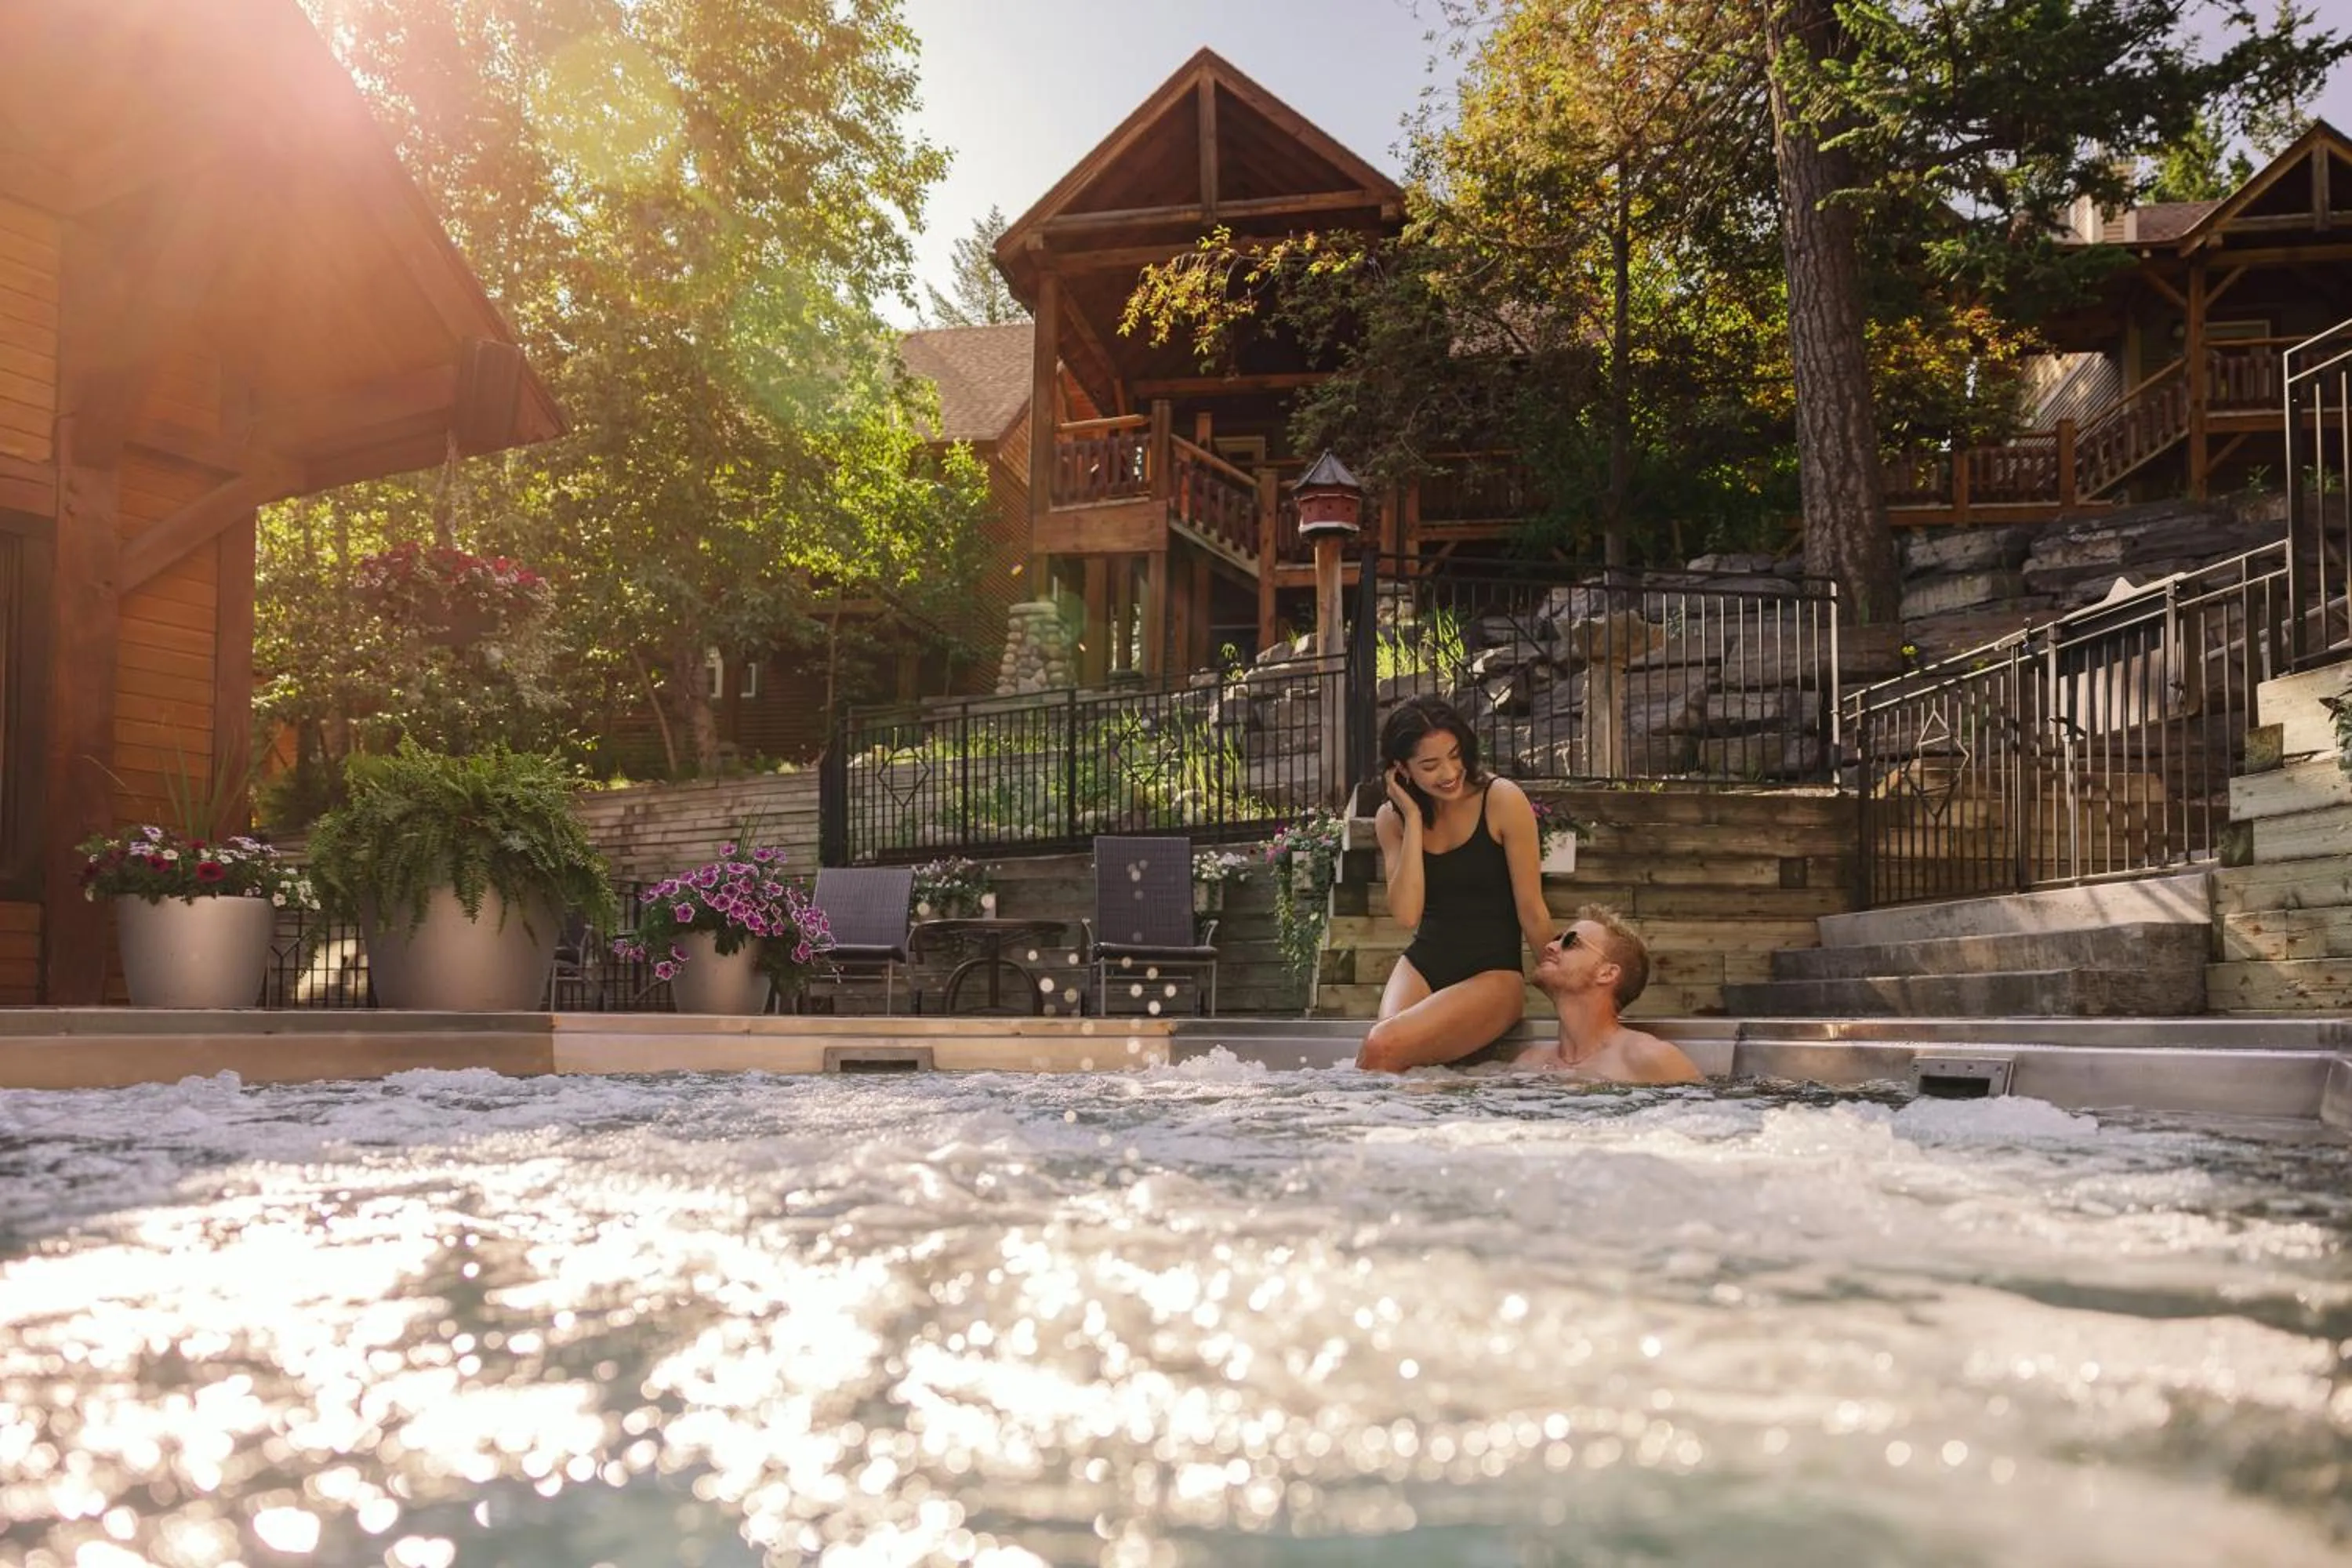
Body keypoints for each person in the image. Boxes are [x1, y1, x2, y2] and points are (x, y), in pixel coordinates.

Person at [1357, 696, 1554, 1072]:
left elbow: (1532, 910)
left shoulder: (1501, 799)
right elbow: (1406, 914)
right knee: (1384, 1058)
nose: (1449, 772)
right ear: (1402, 770)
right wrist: (1413, 818)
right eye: (1430, 765)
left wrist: (1568, 996)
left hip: (1494, 973)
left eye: (1455, 755)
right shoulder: (1392, 819)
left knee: (1383, 1046)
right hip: (1425, 963)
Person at [1515, 906, 1704, 1085]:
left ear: (1607, 973)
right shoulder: (1530, 1064)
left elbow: (1705, 1114)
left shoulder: (1648, 1057)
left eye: (1570, 942)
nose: (1550, 946)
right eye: (1557, 939)